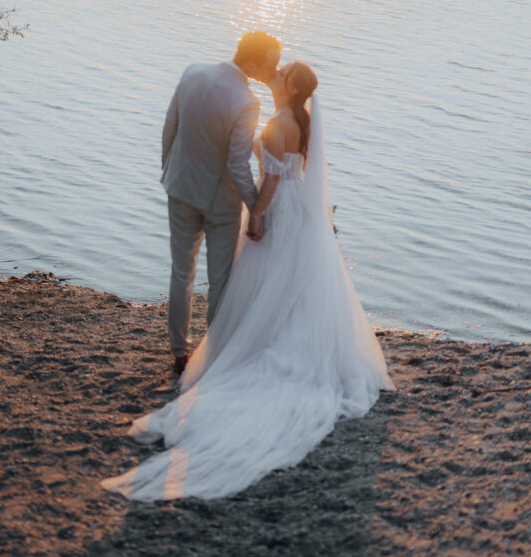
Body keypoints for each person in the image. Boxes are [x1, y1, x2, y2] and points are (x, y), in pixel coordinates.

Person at [102, 61, 394, 502]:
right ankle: (261, 339)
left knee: (260, 279)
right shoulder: (302, 120)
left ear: (292, 85)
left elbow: (273, 177)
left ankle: (224, 349)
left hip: (277, 208)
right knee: (292, 284)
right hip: (302, 215)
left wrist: (255, 212)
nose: (276, 72)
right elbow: (291, 169)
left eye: (284, 71)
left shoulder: (279, 122)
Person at [160, 31, 281, 373]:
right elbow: (236, 165)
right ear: (253, 63)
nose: (274, 70)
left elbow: (170, 126)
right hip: (220, 204)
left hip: (180, 189)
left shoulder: (192, 72)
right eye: (271, 64)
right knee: (220, 281)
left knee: (181, 273)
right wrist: (257, 206)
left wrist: (169, 172)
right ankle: (213, 353)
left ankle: (179, 353)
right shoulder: (247, 101)